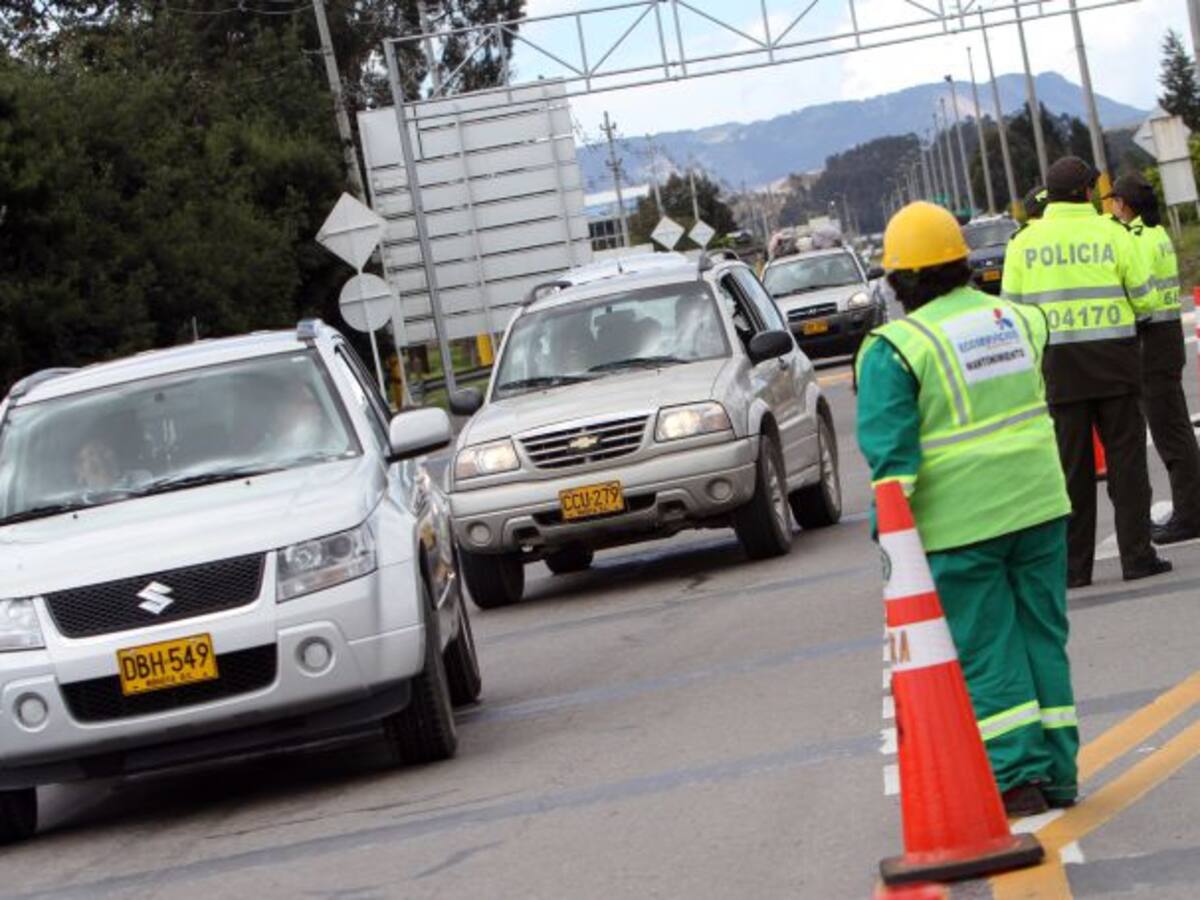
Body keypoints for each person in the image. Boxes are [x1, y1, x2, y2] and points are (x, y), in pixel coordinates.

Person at [856, 201, 1078, 817]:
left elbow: (891, 467)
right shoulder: (1018, 320)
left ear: (899, 281)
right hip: (1039, 506)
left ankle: (1016, 779)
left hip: (960, 527)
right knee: (1042, 638)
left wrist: (892, 549)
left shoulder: (895, 349)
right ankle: (1060, 772)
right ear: (963, 263)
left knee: (987, 649)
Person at [1002, 157, 1169, 588]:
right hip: (1114, 362)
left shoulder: (1023, 243)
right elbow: (1146, 299)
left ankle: (1075, 569)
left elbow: (1012, 312)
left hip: (1058, 369)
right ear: (1085, 192)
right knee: (1126, 464)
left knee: (1071, 472)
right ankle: (1137, 557)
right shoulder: (1110, 233)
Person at [1108, 173, 1200, 543]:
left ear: (1125, 205)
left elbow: (1140, 292)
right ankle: (1191, 509)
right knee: (1174, 428)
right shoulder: (1157, 233)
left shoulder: (1139, 240)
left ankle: (1190, 515)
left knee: (1170, 432)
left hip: (1152, 339)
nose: (1113, 207)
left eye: (1116, 202)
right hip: (1166, 338)